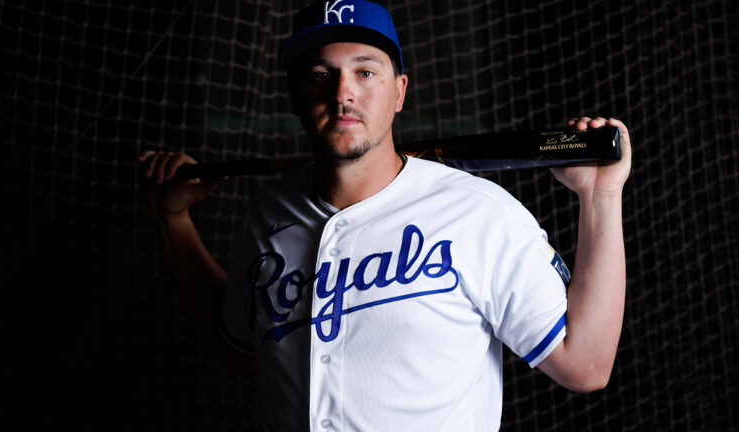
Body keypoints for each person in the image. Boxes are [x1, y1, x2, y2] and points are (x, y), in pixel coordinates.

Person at [139, 1, 632, 430]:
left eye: (365, 72)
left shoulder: (480, 213)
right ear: (293, 95)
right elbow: (239, 348)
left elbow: (585, 367)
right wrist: (174, 221)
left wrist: (601, 196)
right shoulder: (270, 210)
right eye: (319, 74)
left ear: (398, 92)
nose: (341, 93)